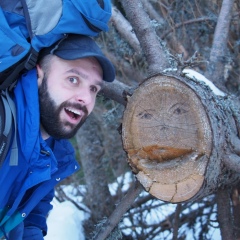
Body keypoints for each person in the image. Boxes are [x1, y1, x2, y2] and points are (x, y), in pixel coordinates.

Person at [0, 34, 115, 240]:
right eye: (73, 79)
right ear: (39, 76)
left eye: (93, 89)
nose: (86, 98)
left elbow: (28, 218)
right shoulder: (4, 124)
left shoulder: (55, 155)